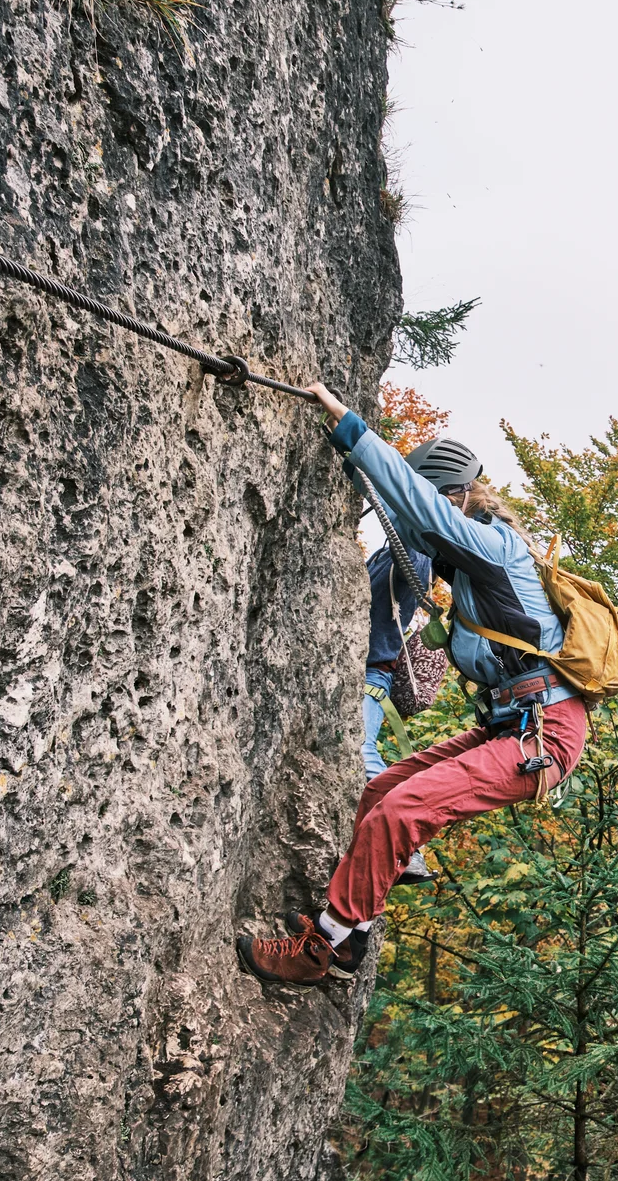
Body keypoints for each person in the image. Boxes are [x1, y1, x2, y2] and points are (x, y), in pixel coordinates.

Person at [235, 382, 591, 987]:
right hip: (510, 726)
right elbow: (410, 519)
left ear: (454, 499)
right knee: (381, 793)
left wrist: (349, 428)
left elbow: (417, 507)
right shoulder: (472, 569)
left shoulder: (495, 549)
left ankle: (316, 950)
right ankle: (353, 942)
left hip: (544, 735)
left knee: (400, 813)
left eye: (430, 507)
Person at [361, 443, 467, 887]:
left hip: (372, 673)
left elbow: (398, 508)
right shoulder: (402, 549)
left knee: (362, 752)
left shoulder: (414, 557)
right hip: (369, 669)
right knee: (362, 752)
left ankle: (409, 850)